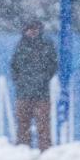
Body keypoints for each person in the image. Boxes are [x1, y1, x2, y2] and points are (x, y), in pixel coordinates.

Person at [10, 19, 58, 151]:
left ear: (39, 30)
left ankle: (46, 153)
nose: (32, 32)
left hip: (41, 93)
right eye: (29, 29)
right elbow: (14, 67)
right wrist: (21, 82)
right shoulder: (21, 46)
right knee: (22, 126)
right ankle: (23, 152)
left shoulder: (46, 45)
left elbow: (52, 66)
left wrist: (41, 80)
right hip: (24, 93)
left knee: (43, 126)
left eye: (34, 29)